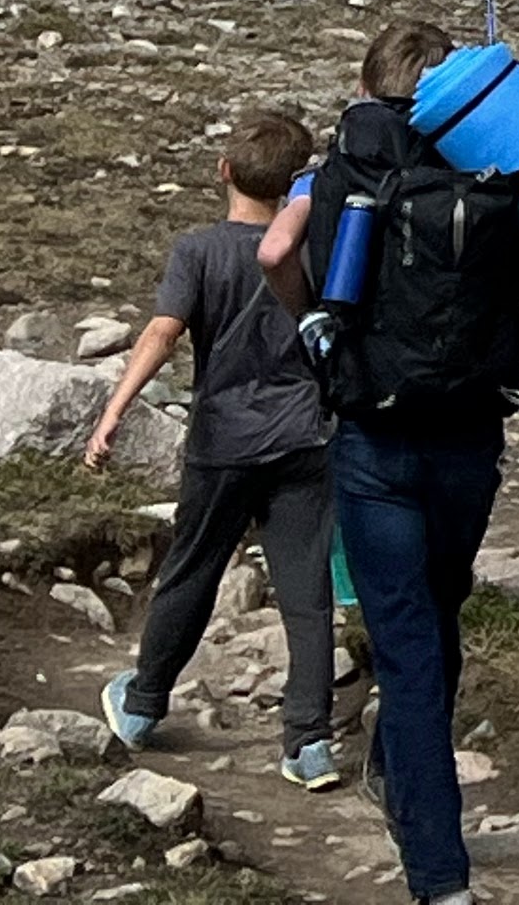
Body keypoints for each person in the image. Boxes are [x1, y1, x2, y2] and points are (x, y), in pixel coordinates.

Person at [261, 18, 519, 905]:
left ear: (369, 83)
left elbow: (273, 252)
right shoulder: (490, 171)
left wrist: (315, 326)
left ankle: (438, 876)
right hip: (469, 437)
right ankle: (398, 780)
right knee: (439, 612)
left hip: (374, 442)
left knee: (408, 644)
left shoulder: (337, 173)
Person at [91, 104, 343, 788]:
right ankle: (309, 743)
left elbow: (163, 332)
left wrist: (114, 410)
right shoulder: (317, 248)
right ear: (296, 184)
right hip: (305, 436)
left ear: (223, 170)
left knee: (193, 571)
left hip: (222, 439)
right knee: (305, 591)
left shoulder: (197, 252)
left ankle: (142, 706)